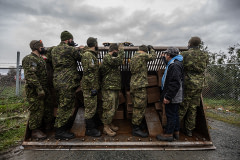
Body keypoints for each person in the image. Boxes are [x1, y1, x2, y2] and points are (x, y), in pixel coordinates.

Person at [52, 31, 82, 140]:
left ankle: (62, 127)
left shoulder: (54, 50)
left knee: (61, 104)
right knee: (66, 106)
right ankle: (60, 131)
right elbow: (80, 58)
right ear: (68, 39)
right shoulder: (70, 49)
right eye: (71, 39)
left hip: (57, 81)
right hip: (67, 82)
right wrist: (80, 49)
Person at [179, 37, 209, 137]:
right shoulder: (205, 54)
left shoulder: (185, 54)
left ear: (190, 44)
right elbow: (205, 66)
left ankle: (174, 128)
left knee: (183, 106)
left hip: (188, 83)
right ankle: (189, 130)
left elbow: (180, 67)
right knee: (193, 107)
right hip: (199, 84)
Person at [22, 40, 52, 140]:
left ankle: (46, 126)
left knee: (46, 107)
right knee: (36, 109)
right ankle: (35, 131)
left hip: (44, 87)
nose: (43, 48)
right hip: (35, 90)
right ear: (37, 48)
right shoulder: (29, 59)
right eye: (42, 46)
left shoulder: (40, 59)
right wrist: (39, 89)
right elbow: (31, 76)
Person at [156, 47, 183, 142]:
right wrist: (163, 58)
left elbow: (175, 82)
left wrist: (168, 97)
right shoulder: (175, 63)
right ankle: (176, 132)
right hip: (175, 94)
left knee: (170, 114)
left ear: (169, 55)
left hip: (173, 95)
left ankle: (168, 134)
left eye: (166, 54)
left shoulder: (174, 65)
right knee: (174, 114)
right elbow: (168, 65)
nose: (165, 56)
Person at [130, 45, 157, 138]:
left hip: (134, 84)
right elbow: (153, 57)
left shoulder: (133, 57)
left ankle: (138, 124)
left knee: (136, 105)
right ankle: (136, 129)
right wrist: (152, 49)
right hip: (140, 86)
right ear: (144, 51)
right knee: (139, 107)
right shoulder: (142, 56)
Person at [100, 43, 124, 136]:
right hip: (108, 88)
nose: (118, 53)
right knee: (109, 108)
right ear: (114, 51)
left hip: (114, 87)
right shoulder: (107, 57)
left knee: (114, 107)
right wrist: (121, 51)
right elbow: (118, 61)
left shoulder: (111, 59)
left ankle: (109, 124)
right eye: (117, 51)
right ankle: (105, 127)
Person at [81, 37, 101, 137]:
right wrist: (93, 87)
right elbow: (89, 72)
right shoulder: (88, 55)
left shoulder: (91, 54)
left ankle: (94, 125)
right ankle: (89, 129)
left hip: (92, 86)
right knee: (90, 108)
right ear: (95, 44)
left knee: (93, 107)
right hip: (89, 87)